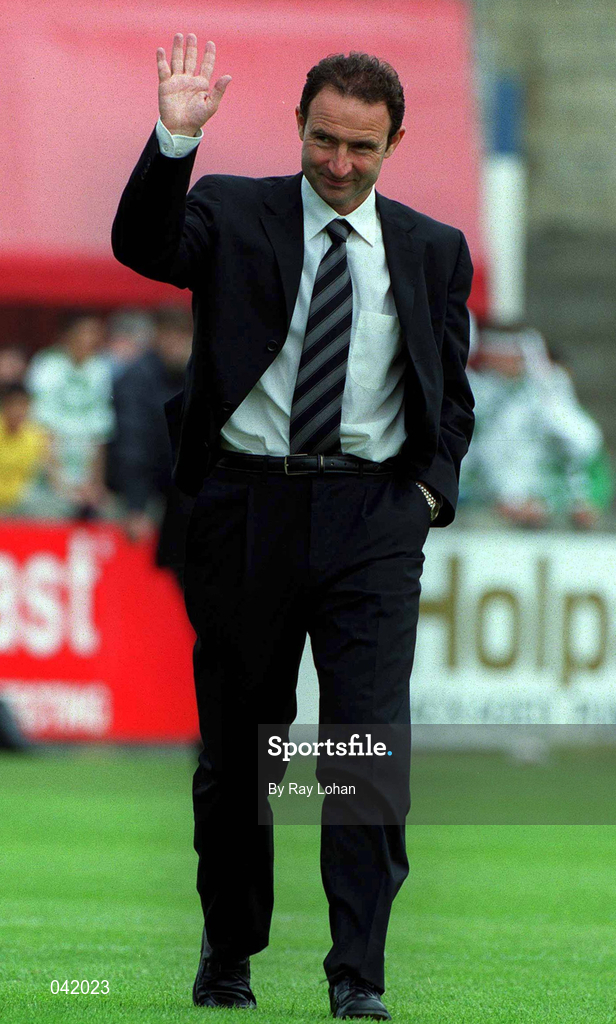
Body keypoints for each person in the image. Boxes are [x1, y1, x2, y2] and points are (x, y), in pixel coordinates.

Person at [112, 34, 474, 1021]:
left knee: (361, 748)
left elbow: (450, 398)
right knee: (240, 752)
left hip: (370, 518)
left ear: (395, 140)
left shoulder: (435, 250)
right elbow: (143, 247)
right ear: (298, 126)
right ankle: (227, 951)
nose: (339, 164)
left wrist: (426, 495)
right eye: (323, 140)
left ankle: (357, 971)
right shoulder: (230, 211)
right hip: (243, 509)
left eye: (361, 147)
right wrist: (172, 142)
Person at [110, 304, 194, 584]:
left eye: (184, 337)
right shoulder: (136, 379)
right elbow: (133, 446)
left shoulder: (195, 375)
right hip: (152, 497)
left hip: (186, 494)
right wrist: (136, 506)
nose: (178, 345)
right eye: (172, 336)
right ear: (156, 336)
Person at [26, 313, 115, 520]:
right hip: (48, 477)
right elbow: (41, 429)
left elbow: (100, 432)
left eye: (96, 333)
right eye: (86, 332)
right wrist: (59, 483)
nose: (91, 338)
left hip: (84, 475)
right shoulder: (48, 365)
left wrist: (95, 483)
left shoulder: (100, 369)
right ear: (68, 335)